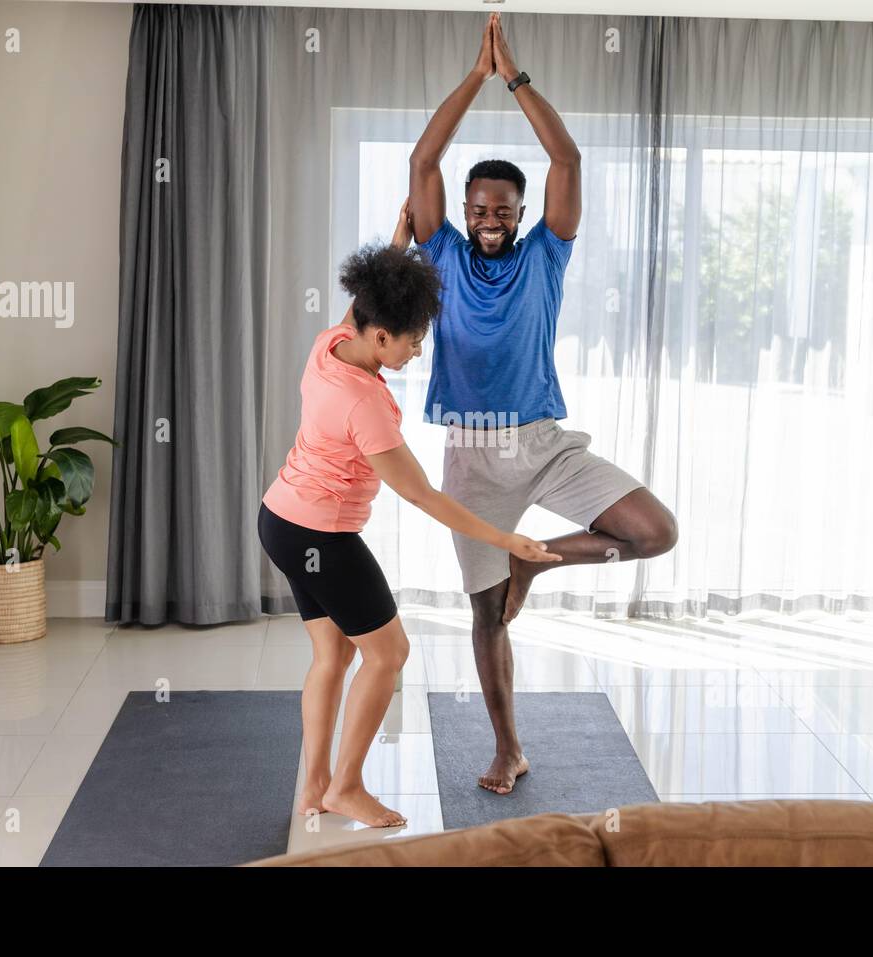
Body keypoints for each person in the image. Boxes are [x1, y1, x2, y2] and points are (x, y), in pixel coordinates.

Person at [408, 13, 679, 795]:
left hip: (544, 441)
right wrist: (474, 76)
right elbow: (425, 157)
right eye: (479, 209)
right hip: (471, 451)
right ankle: (507, 748)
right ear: (464, 213)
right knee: (485, 614)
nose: (490, 221)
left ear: (522, 215)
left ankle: (539, 563)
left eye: (503, 210)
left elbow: (567, 156)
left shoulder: (547, 255)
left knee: (654, 532)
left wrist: (514, 77)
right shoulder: (441, 253)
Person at [257, 199, 560, 828]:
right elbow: (425, 496)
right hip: (321, 534)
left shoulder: (333, 341)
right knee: (390, 653)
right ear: (381, 335)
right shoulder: (365, 403)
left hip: (280, 521)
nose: (419, 351)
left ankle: (314, 785)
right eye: (414, 340)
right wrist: (508, 539)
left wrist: (398, 244)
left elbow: (369, 297)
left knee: (333, 655)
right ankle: (346, 787)